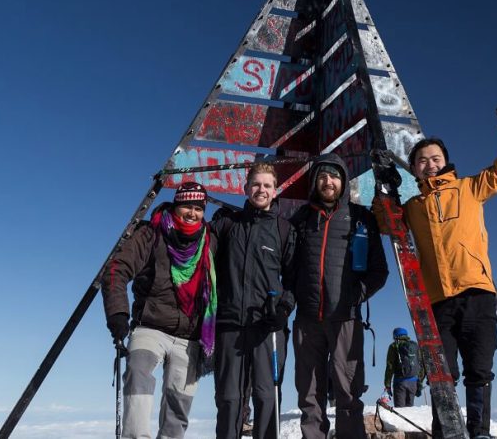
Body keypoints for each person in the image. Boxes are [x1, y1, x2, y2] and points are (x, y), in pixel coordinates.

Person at [372, 104, 497, 438]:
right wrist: (384, 187)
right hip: (437, 300)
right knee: (442, 373)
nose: (430, 164)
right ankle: (445, 432)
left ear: (445, 162)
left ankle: (479, 432)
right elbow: (386, 223)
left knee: (480, 368)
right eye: (422, 160)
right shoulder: (413, 206)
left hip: (477, 293)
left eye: (435, 158)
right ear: (414, 168)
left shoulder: (470, 188)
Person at [101, 182, 217, 439]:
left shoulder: (210, 240)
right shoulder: (152, 233)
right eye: (187, 205)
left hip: (190, 334)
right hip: (150, 326)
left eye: (198, 208)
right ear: (176, 205)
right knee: (138, 372)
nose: (192, 213)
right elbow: (116, 269)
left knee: (179, 403)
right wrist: (118, 314)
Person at [287, 153, 389, 439]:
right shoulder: (301, 220)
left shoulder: (361, 218)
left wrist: (358, 294)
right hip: (307, 320)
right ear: (314, 182)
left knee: (348, 393)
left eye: (333, 175)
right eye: (321, 176)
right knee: (309, 393)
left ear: (343, 181)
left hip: (346, 318)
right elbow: (289, 269)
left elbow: (379, 271)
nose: (327, 181)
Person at [209, 163, 297, 439]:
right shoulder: (227, 223)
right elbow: (204, 256)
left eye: (267, 185)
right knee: (229, 398)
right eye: (256, 184)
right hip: (230, 323)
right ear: (246, 188)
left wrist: (284, 308)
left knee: (266, 396)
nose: (261, 190)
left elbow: (294, 278)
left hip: (268, 327)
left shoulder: (284, 230)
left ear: (275, 191)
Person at [383, 327, 425, 408]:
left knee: (400, 410)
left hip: (400, 382)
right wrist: (419, 381)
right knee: (410, 408)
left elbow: (390, 366)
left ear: (395, 335)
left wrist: (387, 384)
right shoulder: (414, 345)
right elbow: (421, 364)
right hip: (413, 382)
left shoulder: (394, 346)